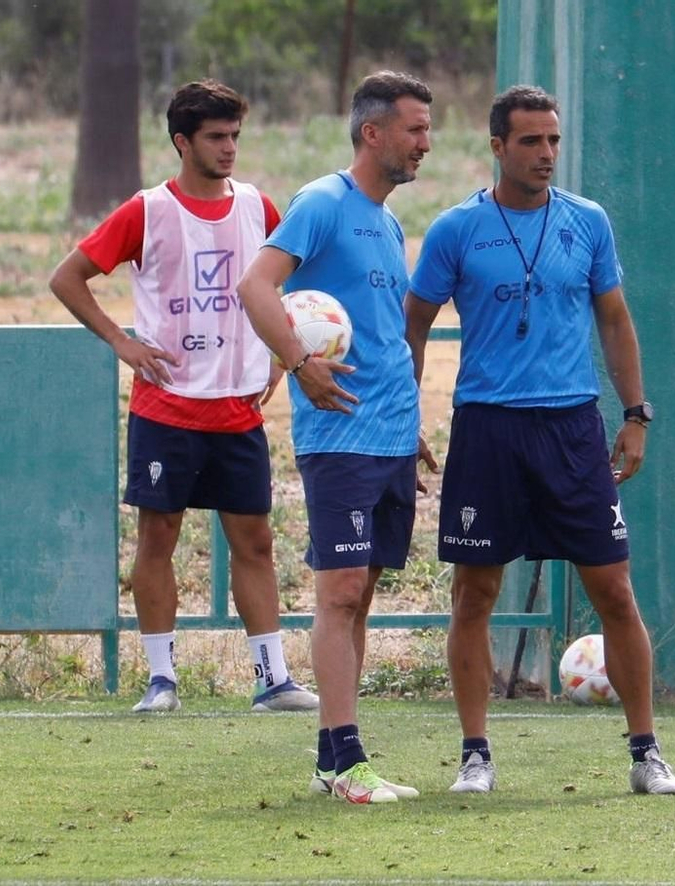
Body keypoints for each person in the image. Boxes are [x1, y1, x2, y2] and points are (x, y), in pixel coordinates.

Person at [406, 84, 675, 797]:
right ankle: (475, 754)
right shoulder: (455, 230)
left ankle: (646, 752)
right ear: (498, 147)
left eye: (554, 140)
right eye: (531, 141)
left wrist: (635, 413)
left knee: (614, 590)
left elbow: (615, 320)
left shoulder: (588, 223)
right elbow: (413, 322)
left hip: (571, 426)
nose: (547, 154)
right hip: (488, 427)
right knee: (475, 592)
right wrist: (405, 416)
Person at [49, 79, 318, 716]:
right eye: (216, 137)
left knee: (255, 543)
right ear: (182, 142)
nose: (229, 149)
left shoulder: (259, 208)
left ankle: (271, 679)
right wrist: (123, 342)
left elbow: (293, 289)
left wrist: (286, 351)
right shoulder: (148, 210)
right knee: (158, 540)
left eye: (234, 136)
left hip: (237, 410)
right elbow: (68, 277)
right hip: (166, 408)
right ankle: (161, 680)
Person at [237, 71, 438, 804]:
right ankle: (348, 763)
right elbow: (256, 288)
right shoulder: (322, 202)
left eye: (427, 129)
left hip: (388, 434)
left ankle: (335, 760)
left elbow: (383, 336)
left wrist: (411, 423)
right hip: (340, 433)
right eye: (415, 129)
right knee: (341, 592)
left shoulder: (386, 222)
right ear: (372, 133)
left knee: (364, 593)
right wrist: (298, 362)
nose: (426, 143)